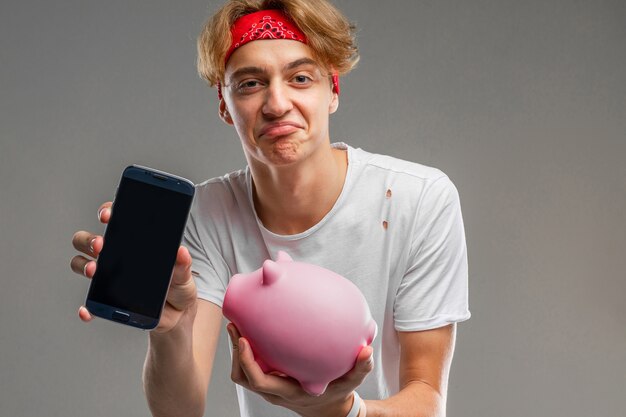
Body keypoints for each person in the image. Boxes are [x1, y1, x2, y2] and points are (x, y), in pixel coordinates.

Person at [70, 0, 470, 416]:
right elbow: (179, 412)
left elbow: (427, 398)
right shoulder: (207, 214)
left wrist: (340, 411)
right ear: (224, 106)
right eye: (249, 84)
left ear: (332, 90)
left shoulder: (419, 199)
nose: (277, 104)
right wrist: (168, 329)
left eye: (300, 78)